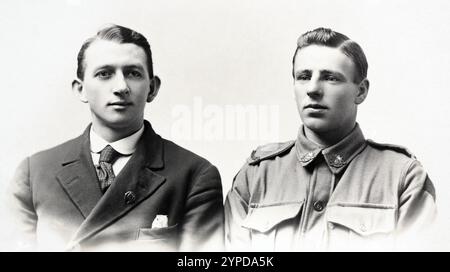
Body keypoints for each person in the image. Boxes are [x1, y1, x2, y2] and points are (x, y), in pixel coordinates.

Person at [5, 24, 224, 252]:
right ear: (80, 89)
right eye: (104, 74)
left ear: (152, 88)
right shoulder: (35, 174)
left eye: (133, 73)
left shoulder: (193, 175)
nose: (121, 87)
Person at [224, 27, 437, 251]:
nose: (313, 89)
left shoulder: (403, 177)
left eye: (330, 78)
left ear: (361, 91)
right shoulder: (256, 174)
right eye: (304, 77)